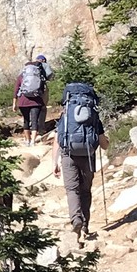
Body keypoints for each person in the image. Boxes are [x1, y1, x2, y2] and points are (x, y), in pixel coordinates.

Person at [53, 82, 109, 244]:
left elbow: (58, 139)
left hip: (68, 154)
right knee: (85, 191)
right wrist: (106, 142)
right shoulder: (93, 116)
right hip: (88, 154)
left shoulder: (66, 114)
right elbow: (103, 144)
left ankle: (76, 219)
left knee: (72, 189)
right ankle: (85, 226)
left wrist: (54, 162)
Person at [12, 54, 52, 146]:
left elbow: (16, 89)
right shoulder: (39, 74)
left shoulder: (21, 76)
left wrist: (15, 103)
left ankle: (27, 140)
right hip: (36, 101)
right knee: (34, 121)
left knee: (26, 120)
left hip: (23, 101)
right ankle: (33, 141)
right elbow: (42, 88)